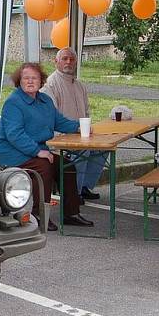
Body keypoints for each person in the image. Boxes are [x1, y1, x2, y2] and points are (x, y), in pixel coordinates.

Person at [0, 62, 94, 231]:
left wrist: (78, 127)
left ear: (41, 81)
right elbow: (14, 135)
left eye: (34, 78)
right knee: (44, 167)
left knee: (66, 165)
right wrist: (37, 151)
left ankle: (71, 213)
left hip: (35, 150)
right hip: (12, 152)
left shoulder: (45, 100)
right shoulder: (14, 102)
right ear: (19, 81)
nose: (30, 81)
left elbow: (59, 121)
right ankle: (39, 215)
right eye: (26, 78)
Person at [40, 47, 106, 204]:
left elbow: (86, 112)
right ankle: (73, 194)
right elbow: (52, 118)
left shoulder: (79, 85)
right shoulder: (50, 85)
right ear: (56, 61)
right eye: (65, 59)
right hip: (60, 138)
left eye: (71, 59)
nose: (68, 62)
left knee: (102, 148)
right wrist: (71, 131)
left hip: (80, 134)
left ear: (76, 62)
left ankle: (84, 186)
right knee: (83, 150)